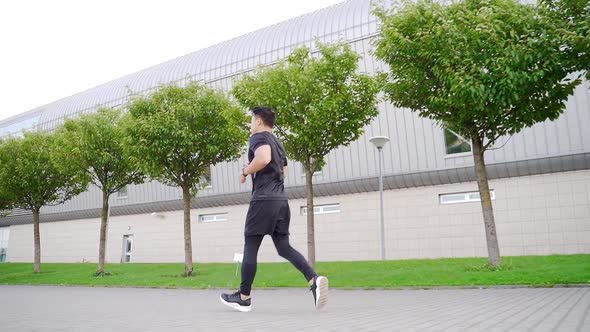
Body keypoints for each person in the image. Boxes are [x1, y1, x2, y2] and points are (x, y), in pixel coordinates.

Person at [220, 106, 328, 312]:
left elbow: (263, 158)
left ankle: (244, 297)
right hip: (280, 201)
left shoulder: (258, 137)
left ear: (259, 121)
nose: (251, 124)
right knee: (284, 247)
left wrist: (245, 170)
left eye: (252, 120)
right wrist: (255, 167)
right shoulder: (278, 143)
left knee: (251, 245)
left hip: (262, 200)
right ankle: (313, 280)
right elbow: (283, 171)